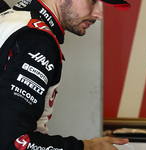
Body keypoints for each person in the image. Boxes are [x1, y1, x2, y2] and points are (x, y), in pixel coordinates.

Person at [0, 0, 130, 149]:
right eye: (93, 1)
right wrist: (88, 147)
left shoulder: (13, 18)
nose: (99, 15)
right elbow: (15, 141)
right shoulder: (37, 40)